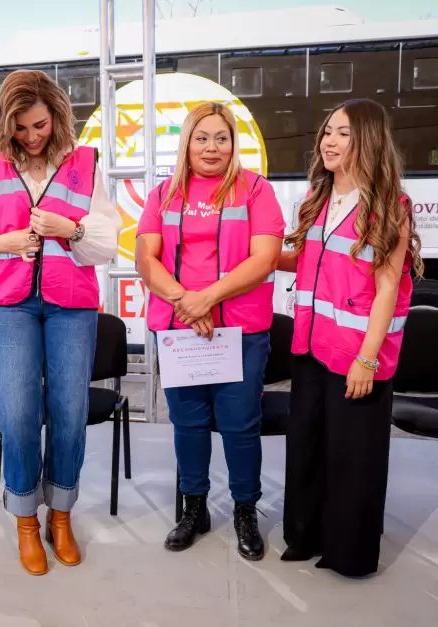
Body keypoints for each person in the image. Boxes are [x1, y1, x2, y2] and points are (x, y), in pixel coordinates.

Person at [0, 69, 120, 575]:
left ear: (57, 116)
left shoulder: (85, 164)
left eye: (39, 124)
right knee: (19, 413)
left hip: (72, 303)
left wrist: (74, 228)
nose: (32, 136)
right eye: (20, 128)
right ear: (6, 124)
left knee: (69, 410)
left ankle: (60, 515)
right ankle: (25, 520)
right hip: (9, 303)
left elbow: (108, 241)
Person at [278, 98, 423, 577]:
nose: (330, 141)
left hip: (356, 358)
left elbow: (386, 290)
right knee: (308, 448)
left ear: (368, 140)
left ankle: (349, 554)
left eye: (343, 133)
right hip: (310, 349)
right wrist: (251, 257)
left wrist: (367, 359)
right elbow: (306, 263)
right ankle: (306, 536)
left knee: (352, 459)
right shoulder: (318, 199)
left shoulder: (388, 205)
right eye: (327, 132)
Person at [135, 102, 284, 561]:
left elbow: (265, 259)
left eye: (222, 137)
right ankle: (194, 509)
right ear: (187, 143)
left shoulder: (256, 190)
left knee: (241, 427)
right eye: (202, 137)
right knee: (189, 425)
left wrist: (208, 298)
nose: (212, 147)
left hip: (240, 332)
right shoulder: (164, 194)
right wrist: (187, 300)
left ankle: (244, 511)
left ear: (234, 143)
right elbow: (146, 259)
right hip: (181, 329)